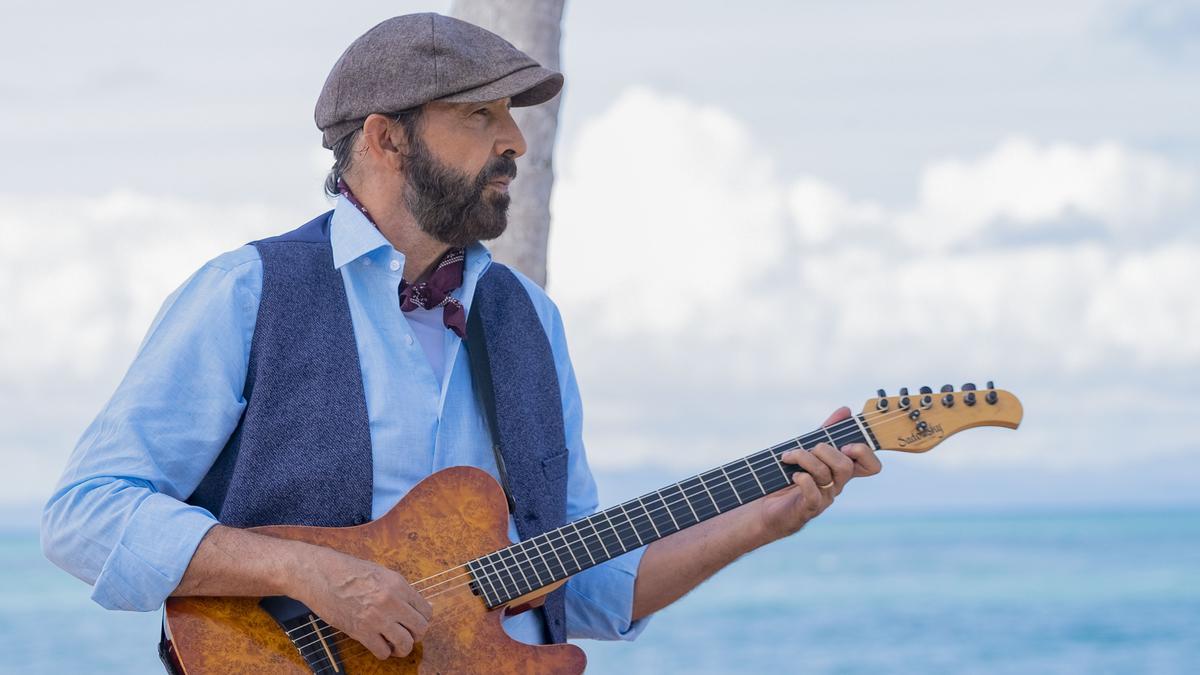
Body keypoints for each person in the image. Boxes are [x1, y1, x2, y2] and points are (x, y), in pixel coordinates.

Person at [41, 12, 882, 665]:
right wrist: (304, 573)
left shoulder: (529, 322)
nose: (514, 141)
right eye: (479, 115)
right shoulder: (247, 292)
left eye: (510, 118)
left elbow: (579, 588)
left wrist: (763, 519)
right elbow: (86, 515)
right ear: (384, 138)